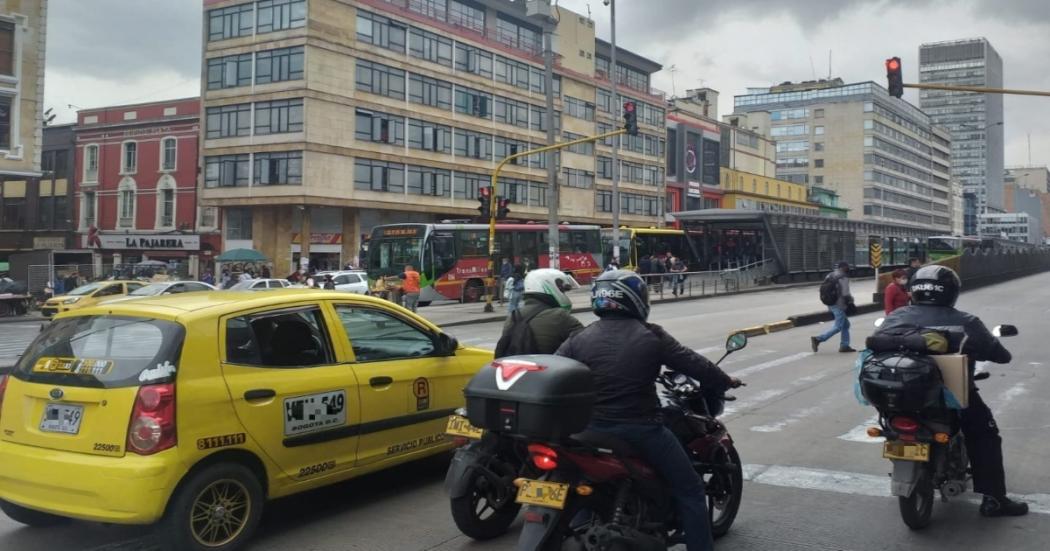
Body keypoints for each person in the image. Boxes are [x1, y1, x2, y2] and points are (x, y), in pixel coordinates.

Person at [556, 270, 741, 551]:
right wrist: (725, 380)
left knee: (583, 481)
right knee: (690, 490)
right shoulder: (651, 335)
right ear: (636, 299)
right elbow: (695, 364)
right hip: (640, 428)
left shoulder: (579, 337)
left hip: (588, 430)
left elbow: (555, 370)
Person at [876, 265, 1027, 517]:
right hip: (952, 395)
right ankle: (994, 500)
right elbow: (1001, 355)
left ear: (914, 289)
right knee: (984, 435)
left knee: (890, 427)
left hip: (900, 395)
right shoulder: (967, 322)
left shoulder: (895, 318)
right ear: (952, 292)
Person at [495, 269, 583, 357]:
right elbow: (586, 344)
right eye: (562, 290)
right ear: (550, 286)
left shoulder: (513, 316)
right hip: (551, 369)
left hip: (520, 368)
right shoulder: (560, 316)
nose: (564, 293)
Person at [811, 261, 856, 353]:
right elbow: (845, 293)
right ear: (845, 268)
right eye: (847, 268)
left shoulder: (830, 275)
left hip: (829, 302)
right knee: (838, 326)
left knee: (846, 325)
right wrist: (851, 301)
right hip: (838, 304)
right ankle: (818, 339)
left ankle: (844, 345)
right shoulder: (843, 277)